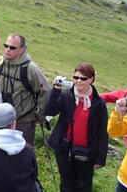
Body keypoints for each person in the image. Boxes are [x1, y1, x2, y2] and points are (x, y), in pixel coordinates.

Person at [45, 63, 108, 192]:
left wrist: (100, 158)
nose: (78, 81)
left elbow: (102, 132)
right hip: (64, 149)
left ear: (91, 80)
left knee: (83, 185)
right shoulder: (66, 95)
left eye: (83, 78)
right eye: (76, 77)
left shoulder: (99, 104)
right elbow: (49, 111)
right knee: (66, 184)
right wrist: (56, 90)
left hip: (86, 151)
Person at [0, 33, 51, 144]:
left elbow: (46, 91)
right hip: (1, 120)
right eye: (6, 46)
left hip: (23, 122)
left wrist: (40, 115)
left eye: (12, 47)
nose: (7, 50)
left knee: (22, 154)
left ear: (22, 50)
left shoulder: (31, 69)